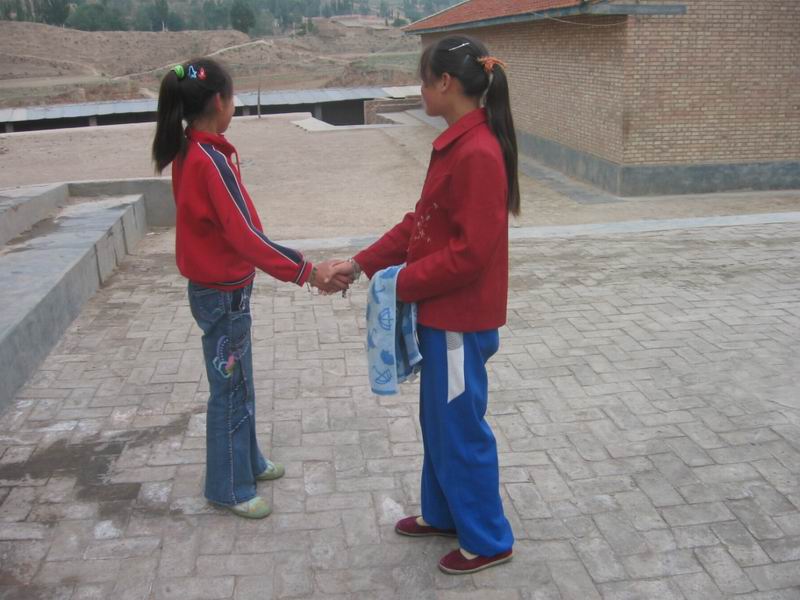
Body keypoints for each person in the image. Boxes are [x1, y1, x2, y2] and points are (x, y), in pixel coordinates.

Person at [336, 35, 520, 574]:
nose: (419, 90)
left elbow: (470, 255)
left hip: (459, 320)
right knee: (439, 422)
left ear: (445, 82)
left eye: (423, 80)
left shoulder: (478, 152)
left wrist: (400, 283)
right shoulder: (458, 144)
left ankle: (488, 539)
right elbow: (421, 223)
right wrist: (362, 264)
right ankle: (443, 513)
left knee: (461, 428)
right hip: (441, 316)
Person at [151, 58, 348, 518]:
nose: (235, 104)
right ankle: (228, 487)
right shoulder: (209, 161)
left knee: (240, 381)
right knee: (229, 390)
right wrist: (307, 271)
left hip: (223, 291)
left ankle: (248, 461)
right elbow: (245, 236)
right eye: (233, 96)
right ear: (219, 101)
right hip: (221, 295)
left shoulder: (194, 149)